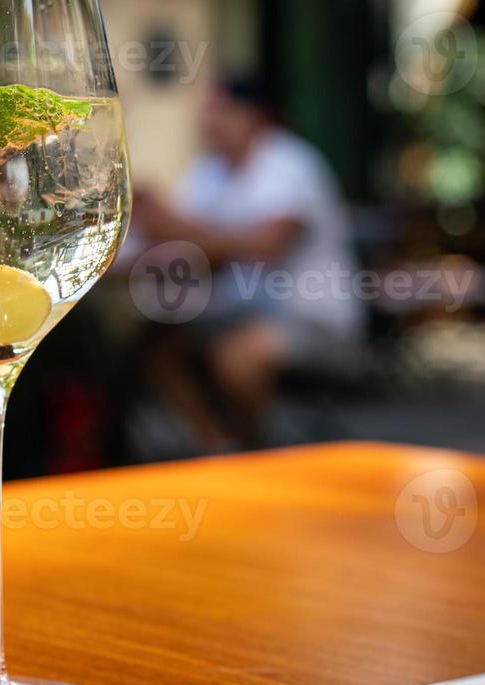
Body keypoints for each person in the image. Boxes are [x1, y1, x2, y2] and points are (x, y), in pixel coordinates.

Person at [133, 78, 364, 448]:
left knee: (238, 358)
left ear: (256, 117)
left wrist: (171, 223)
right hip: (240, 312)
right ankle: (218, 446)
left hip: (310, 315)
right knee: (155, 345)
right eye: (206, 113)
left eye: (221, 111)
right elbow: (187, 241)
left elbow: (264, 246)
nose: (209, 123)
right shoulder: (210, 169)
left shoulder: (288, 162)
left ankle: (263, 451)